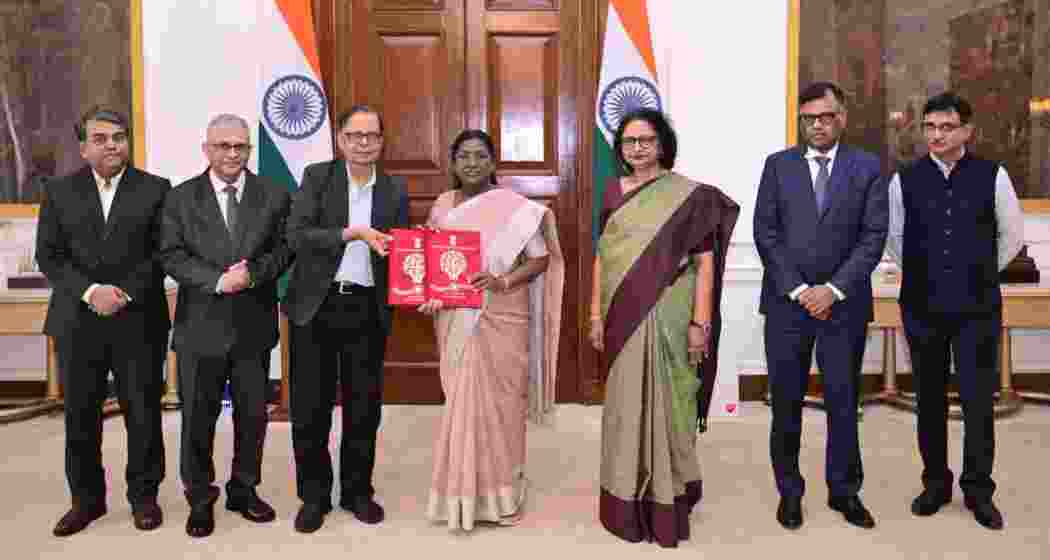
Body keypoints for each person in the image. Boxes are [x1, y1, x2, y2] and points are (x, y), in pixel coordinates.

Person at [591, 108, 739, 548]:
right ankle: (625, 495)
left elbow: (704, 263)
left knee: (672, 401)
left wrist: (700, 323)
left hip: (671, 313)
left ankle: (669, 493)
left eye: (646, 140)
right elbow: (602, 258)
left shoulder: (689, 197)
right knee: (624, 404)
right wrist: (595, 315)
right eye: (629, 141)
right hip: (622, 314)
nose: (637, 148)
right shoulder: (611, 193)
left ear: (662, 144)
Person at [886, 92, 1022, 530]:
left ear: (967, 131)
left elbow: (1012, 237)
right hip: (922, 307)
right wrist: (928, 274)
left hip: (977, 308)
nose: (937, 135)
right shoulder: (903, 179)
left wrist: (976, 272)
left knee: (978, 402)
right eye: (929, 127)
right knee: (928, 401)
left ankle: (978, 490)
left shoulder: (993, 176)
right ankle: (935, 484)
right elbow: (895, 239)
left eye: (946, 127)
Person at [754, 81, 887, 531]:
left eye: (826, 117)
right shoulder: (778, 166)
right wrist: (799, 290)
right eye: (809, 118)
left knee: (844, 402)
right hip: (787, 305)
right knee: (786, 403)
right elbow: (766, 233)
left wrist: (832, 290)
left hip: (844, 307)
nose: (817, 125)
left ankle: (844, 491)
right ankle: (789, 493)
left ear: (842, 118)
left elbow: (873, 237)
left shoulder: (867, 167)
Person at [419, 129, 564, 531]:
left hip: (503, 315)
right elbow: (430, 256)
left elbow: (539, 259)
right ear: (453, 162)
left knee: (502, 406)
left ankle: (501, 493)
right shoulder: (443, 204)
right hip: (455, 314)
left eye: (480, 155)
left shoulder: (515, 207)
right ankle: (462, 494)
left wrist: (502, 281)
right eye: (463, 155)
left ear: (493, 162)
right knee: (462, 401)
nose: (472, 163)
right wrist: (427, 292)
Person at [36, 106, 171, 536]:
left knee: (143, 414)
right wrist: (92, 291)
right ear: (82, 148)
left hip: (139, 319)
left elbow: (164, 253)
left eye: (118, 137)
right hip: (78, 320)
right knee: (80, 416)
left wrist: (122, 292)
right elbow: (49, 256)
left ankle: (144, 498)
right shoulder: (58, 190)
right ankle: (87, 501)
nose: (112, 145)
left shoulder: (156, 188)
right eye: (100, 138)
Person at [158, 114, 292, 537]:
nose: (233, 154)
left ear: (249, 149)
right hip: (200, 327)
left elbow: (285, 248)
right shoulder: (180, 198)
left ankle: (243, 490)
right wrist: (217, 280)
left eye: (240, 146)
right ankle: (200, 498)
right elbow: (170, 254)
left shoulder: (274, 195)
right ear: (207, 149)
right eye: (223, 146)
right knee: (198, 420)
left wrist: (251, 275)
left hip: (253, 326)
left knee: (252, 418)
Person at [284, 105, 408, 533]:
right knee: (310, 408)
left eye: (371, 136)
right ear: (340, 139)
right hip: (316, 307)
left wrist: (420, 281)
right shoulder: (318, 178)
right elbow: (296, 235)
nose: (363, 143)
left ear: (382, 141)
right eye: (355, 135)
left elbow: (401, 252)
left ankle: (357, 492)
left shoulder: (394, 189)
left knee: (363, 408)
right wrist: (351, 233)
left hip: (366, 308)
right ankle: (314, 496)